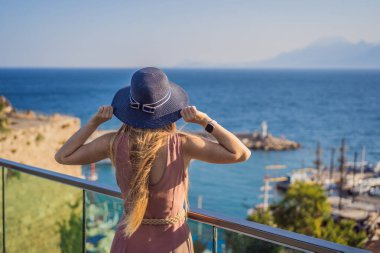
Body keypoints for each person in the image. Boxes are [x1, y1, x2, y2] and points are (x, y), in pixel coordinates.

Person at [55, 67, 251, 253]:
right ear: (169, 110)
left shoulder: (112, 142)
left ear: (129, 109)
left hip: (128, 239)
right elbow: (241, 153)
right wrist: (205, 120)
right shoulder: (182, 144)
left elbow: (63, 156)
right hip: (172, 242)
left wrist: (94, 122)